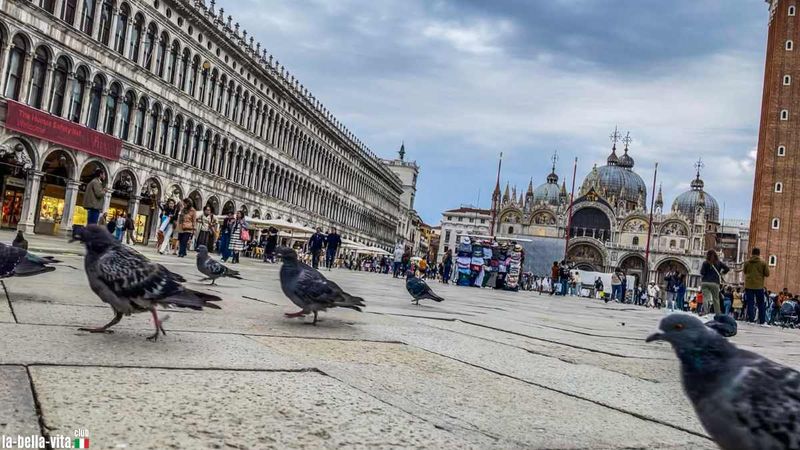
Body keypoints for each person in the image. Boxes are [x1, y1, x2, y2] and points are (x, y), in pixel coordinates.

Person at [743, 247, 770, 326]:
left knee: (750, 303)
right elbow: (767, 274)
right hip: (759, 286)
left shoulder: (747, 262)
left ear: (752, 253)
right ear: (759, 253)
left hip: (749, 285)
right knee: (761, 304)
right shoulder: (763, 262)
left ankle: (751, 320)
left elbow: (744, 271)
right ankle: (762, 321)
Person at [699, 249, 729, 316]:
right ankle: (717, 313)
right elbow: (727, 268)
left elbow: (702, 273)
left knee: (705, 297)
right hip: (715, 283)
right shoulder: (719, 263)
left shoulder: (705, 263)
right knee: (716, 299)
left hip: (705, 282)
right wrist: (722, 273)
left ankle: (705, 311)